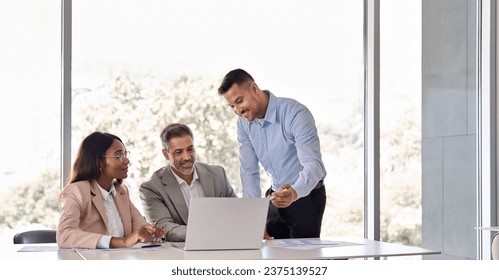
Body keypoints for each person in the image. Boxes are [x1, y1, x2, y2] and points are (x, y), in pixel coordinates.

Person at [217, 68, 327, 239]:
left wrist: (294, 192)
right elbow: (249, 171)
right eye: (232, 106)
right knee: (269, 254)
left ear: (254, 88)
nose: (238, 111)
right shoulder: (243, 124)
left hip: (305, 196)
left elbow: (314, 166)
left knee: (302, 260)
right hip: (274, 197)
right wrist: (253, 219)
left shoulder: (295, 113)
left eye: (240, 101)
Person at [57, 132, 165, 249]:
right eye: (118, 156)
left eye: (125, 154)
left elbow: (140, 227)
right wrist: (123, 242)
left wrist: (153, 232)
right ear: (99, 162)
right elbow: (64, 235)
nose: (127, 160)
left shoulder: (121, 191)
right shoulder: (77, 191)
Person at [140, 123, 237, 242]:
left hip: (222, 245)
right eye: (178, 152)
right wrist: (209, 232)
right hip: (181, 252)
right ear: (166, 154)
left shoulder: (218, 175)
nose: (187, 157)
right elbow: (164, 227)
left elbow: (235, 212)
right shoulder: (152, 188)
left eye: (190, 149)